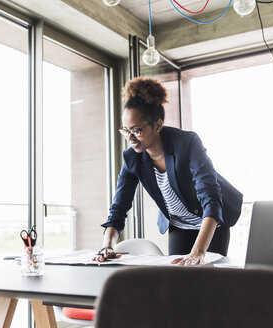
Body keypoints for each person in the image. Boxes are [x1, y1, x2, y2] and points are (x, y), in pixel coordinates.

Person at [94, 76, 243, 265]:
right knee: (178, 279)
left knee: (208, 279)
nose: (130, 138)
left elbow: (210, 197)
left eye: (137, 130)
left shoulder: (187, 143)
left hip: (211, 221)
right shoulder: (132, 157)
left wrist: (198, 252)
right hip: (179, 224)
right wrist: (107, 245)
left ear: (158, 125)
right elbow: (118, 208)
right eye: (126, 130)